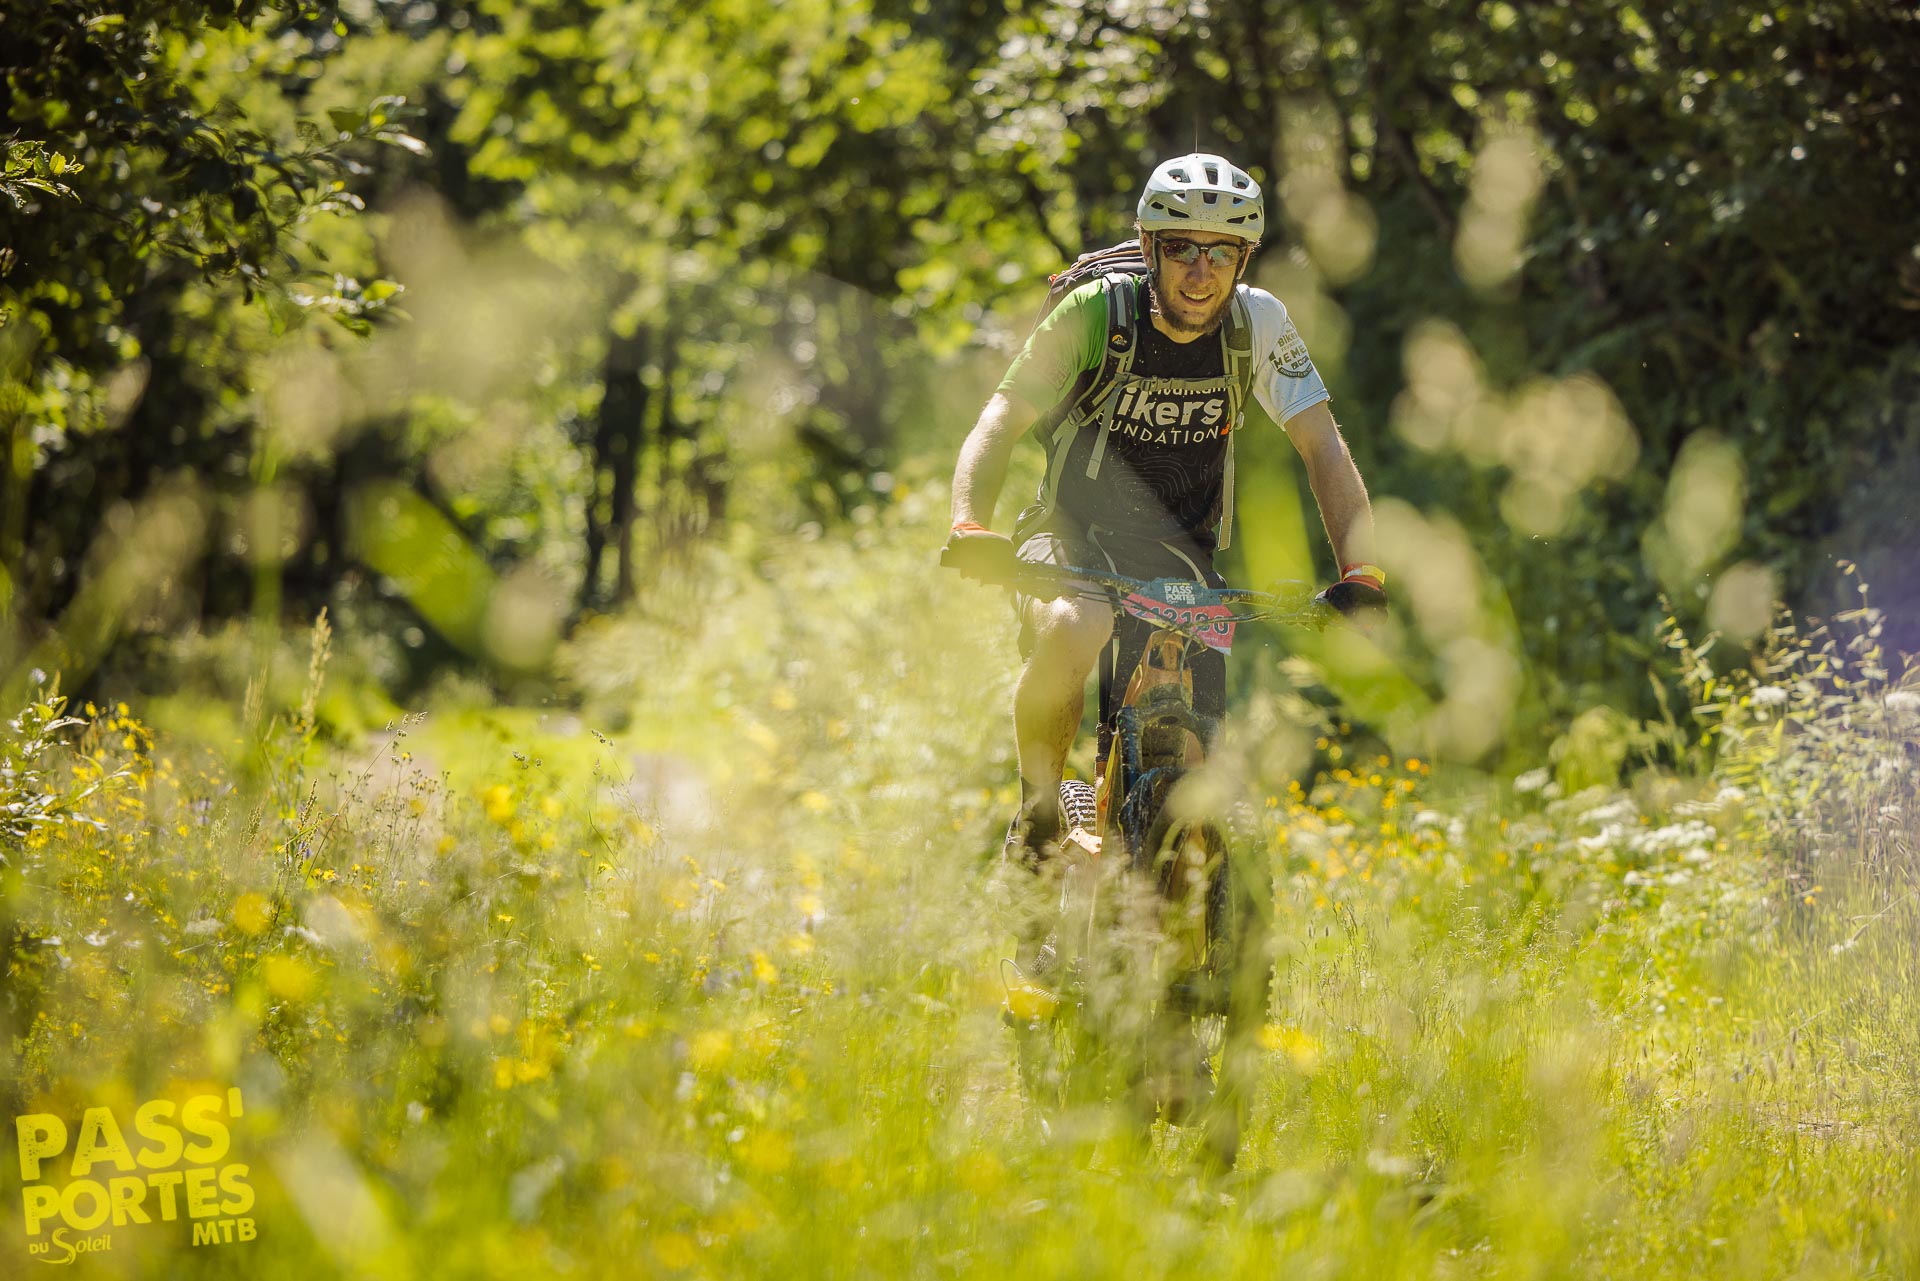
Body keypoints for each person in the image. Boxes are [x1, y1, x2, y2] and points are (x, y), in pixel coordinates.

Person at [942, 152, 1385, 861]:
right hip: (1068, 530)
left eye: (1222, 252)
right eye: (1181, 248)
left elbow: (1322, 446)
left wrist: (1361, 571)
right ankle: (1039, 816)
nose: (1200, 273)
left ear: (1243, 259)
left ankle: (1181, 901)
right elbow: (1000, 421)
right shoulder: (1097, 312)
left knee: (1197, 751)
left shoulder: (1259, 323)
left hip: (1179, 545)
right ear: (1149, 247)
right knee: (1078, 623)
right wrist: (970, 523)